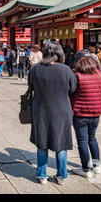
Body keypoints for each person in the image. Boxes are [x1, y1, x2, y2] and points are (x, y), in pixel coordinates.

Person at [28, 42, 77, 185]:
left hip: (41, 109)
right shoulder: (66, 70)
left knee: (42, 143)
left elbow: (30, 85)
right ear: (59, 53)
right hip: (61, 110)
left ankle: (42, 175)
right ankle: (62, 175)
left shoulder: (35, 69)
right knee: (61, 143)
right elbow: (73, 88)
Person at [71, 50, 101, 178]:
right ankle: (97, 166)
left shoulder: (77, 76)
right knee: (92, 138)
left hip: (80, 113)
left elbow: (71, 92)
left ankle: (86, 169)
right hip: (96, 112)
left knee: (82, 141)